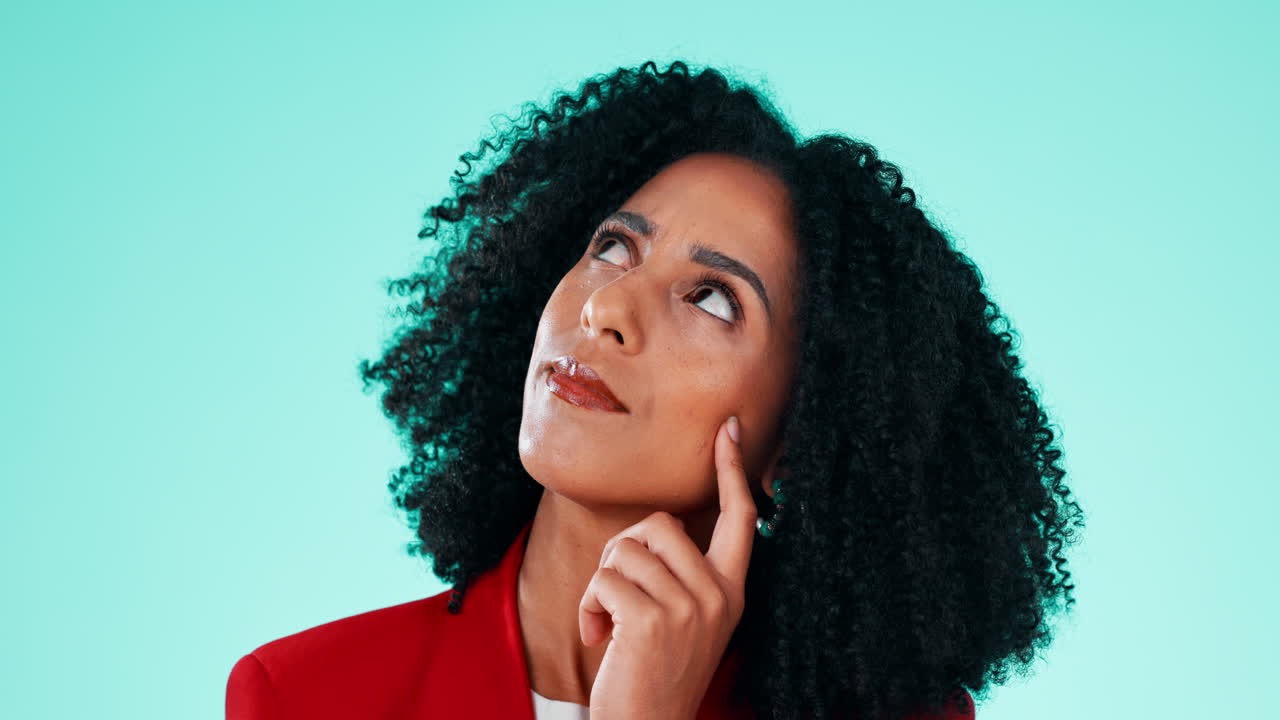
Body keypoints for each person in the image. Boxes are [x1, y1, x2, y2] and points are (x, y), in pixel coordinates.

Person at [226, 59, 1084, 720]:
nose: (606, 309)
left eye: (712, 298)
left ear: (802, 436)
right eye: (613, 248)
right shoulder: (305, 696)